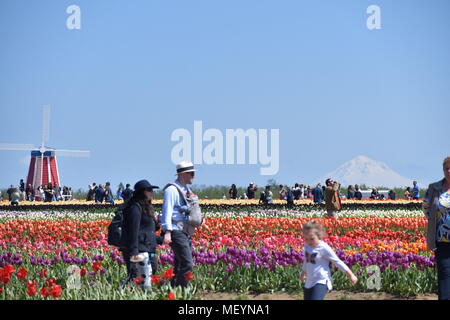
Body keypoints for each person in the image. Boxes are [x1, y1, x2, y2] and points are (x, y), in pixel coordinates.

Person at [161, 161, 197, 288]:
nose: (194, 176)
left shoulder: (186, 189)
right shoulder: (171, 190)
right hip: (176, 231)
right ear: (183, 174)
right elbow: (167, 210)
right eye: (191, 174)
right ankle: (182, 289)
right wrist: (167, 231)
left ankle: (172, 290)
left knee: (179, 264)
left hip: (186, 231)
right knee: (187, 263)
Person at [300, 221, 358, 300]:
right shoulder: (307, 245)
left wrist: (351, 275)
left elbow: (337, 261)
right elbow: (307, 261)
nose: (309, 241)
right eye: (306, 238)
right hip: (309, 281)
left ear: (319, 236)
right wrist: (303, 272)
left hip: (321, 280)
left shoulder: (324, 247)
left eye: (312, 238)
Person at [120, 179, 159, 291]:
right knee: (136, 276)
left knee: (152, 270)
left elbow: (148, 230)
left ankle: (138, 293)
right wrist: (134, 251)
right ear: (142, 192)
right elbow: (134, 230)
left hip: (148, 247)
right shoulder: (134, 208)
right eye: (149, 190)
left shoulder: (147, 207)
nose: (152, 192)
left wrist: (161, 239)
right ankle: (122, 293)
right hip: (138, 248)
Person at [423, 156, 450, 300]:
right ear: (443, 170)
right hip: (442, 240)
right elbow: (426, 207)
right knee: (445, 276)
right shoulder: (434, 188)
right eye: (447, 168)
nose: (449, 171)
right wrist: (436, 220)